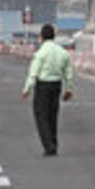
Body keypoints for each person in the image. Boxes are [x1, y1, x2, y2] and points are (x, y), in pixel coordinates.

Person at [22, 24, 74, 156]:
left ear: (41, 37)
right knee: (52, 116)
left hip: (43, 85)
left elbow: (33, 72)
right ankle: (54, 143)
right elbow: (69, 72)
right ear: (54, 36)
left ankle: (48, 145)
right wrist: (69, 89)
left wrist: (27, 88)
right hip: (56, 85)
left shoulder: (41, 53)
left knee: (41, 116)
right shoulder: (63, 52)